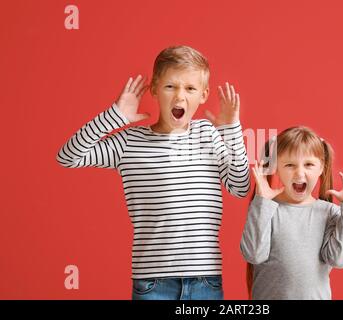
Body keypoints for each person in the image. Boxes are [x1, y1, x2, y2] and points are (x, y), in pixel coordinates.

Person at [57, 45, 250, 300]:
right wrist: (114, 116)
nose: (180, 96)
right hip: (152, 284)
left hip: (205, 280)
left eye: (190, 88)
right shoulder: (129, 142)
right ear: (155, 89)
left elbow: (240, 186)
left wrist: (231, 129)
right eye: (171, 86)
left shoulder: (207, 134)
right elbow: (68, 156)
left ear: (203, 95)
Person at [240, 126, 343, 299]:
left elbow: (339, 259)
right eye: (289, 165)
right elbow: (253, 254)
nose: (299, 172)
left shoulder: (330, 213)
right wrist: (262, 203)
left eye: (309, 164)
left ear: (321, 168)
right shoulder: (266, 209)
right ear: (276, 168)